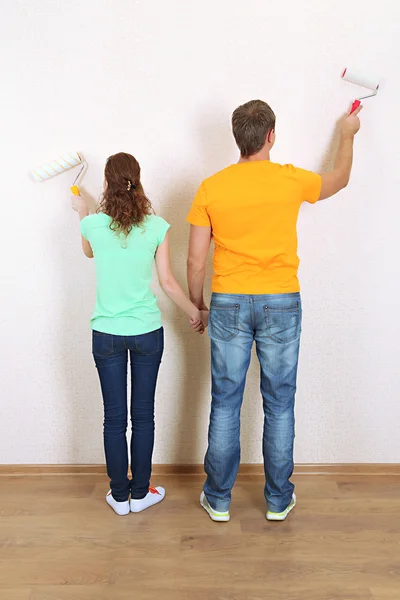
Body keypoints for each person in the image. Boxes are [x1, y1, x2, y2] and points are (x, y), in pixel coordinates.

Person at [187, 99, 362, 522]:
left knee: (225, 402)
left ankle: (219, 499)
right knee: (280, 403)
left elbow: (195, 261)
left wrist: (199, 304)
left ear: (237, 138)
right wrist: (347, 133)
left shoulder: (212, 186)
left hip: (228, 301)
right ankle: (279, 500)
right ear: (270, 136)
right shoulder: (288, 180)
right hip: (281, 301)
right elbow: (338, 179)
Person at [73, 152, 207, 516]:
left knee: (113, 418)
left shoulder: (93, 227)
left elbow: (88, 252)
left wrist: (80, 211)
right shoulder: (157, 226)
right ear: (138, 180)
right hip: (147, 333)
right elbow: (167, 282)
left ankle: (119, 497)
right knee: (143, 415)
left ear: (105, 182)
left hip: (106, 335)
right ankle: (140, 492)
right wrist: (196, 311)